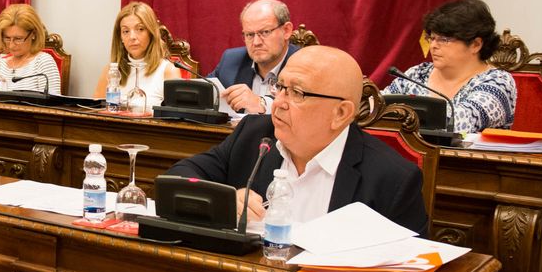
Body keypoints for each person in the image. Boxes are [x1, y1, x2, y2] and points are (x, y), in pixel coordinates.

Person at [168, 45, 428, 235]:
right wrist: (223, 198)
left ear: (341, 113)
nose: (279, 103)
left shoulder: (392, 178)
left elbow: (410, 269)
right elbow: (180, 175)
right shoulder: (254, 135)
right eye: (280, 87)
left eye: (297, 93)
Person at [383, 0, 517, 132]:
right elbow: (379, 106)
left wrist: (401, 116)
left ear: (475, 45)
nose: (433, 46)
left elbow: (461, 123)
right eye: (432, 38)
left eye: (444, 40)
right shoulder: (417, 74)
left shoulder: (497, 82)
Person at [209, 0, 299, 115]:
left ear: (286, 31)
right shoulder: (231, 60)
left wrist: (262, 104)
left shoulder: (304, 65)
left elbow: (307, 110)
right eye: (250, 34)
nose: (256, 42)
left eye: (265, 32)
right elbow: (202, 92)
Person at [93, 1, 181, 111]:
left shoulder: (168, 71)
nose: (132, 37)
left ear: (151, 33)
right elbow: (96, 111)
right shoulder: (111, 71)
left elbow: (176, 117)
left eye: (140, 29)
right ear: (120, 38)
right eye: (126, 31)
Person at [0, 4, 61, 93]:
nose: (11, 45)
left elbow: (52, 100)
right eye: (7, 38)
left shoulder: (43, 62)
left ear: (33, 34)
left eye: (18, 39)